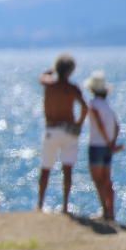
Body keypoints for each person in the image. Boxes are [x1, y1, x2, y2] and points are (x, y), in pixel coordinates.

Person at [38, 54, 89, 213]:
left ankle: (40, 204)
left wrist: (52, 69)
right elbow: (85, 107)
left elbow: (42, 76)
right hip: (68, 130)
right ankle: (65, 206)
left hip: (52, 129)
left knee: (46, 168)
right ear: (71, 71)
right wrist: (78, 124)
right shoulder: (72, 88)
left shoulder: (49, 85)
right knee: (67, 169)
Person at [85, 71, 123, 221]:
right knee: (107, 180)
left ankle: (105, 211)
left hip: (96, 146)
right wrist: (112, 143)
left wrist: (108, 142)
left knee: (98, 180)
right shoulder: (108, 107)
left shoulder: (93, 105)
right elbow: (117, 126)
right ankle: (111, 211)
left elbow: (99, 124)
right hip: (107, 147)